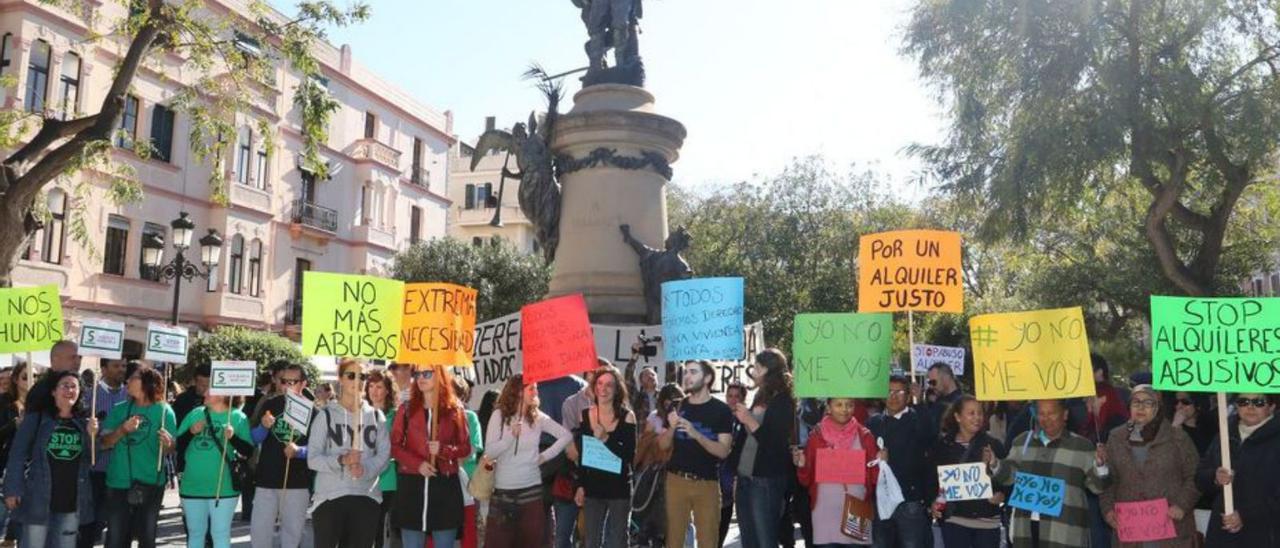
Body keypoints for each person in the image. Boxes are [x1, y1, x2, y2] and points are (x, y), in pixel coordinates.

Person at [984, 399, 1110, 548]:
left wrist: (1100, 467)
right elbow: (1009, 476)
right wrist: (994, 463)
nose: (1046, 419)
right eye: (1041, 413)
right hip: (1026, 529)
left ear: (1065, 414)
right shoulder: (1022, 441)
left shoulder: (1082, 446)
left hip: (1064, 532)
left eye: (1051, 413)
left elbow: (1098, 487)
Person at [1099, 385, 1199, 547]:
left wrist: (1182, 504)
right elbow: (1108, 481)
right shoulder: (1115, 437)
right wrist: (1107, 510)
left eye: (1148, 403)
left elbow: (1195, 476)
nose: (1141, 407)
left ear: (1158, 407)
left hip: (1171, 529)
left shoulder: (1177, 437)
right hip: (1130, 532)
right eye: (1136, 402)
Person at [3, 370, 93, 548]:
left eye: (74, 386)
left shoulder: (83, 424)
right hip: (38, 500)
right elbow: (17, 454)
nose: (69, 390)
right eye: (64, 386)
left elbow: (92, 460)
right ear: (53, 391)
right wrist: (12, 488)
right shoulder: (37, 419)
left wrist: (92, 436)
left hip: (71, 502)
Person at [307, 358, 391, 548]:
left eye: (363, 376)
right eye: (351, 375)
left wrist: (366, 469)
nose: (357, 380)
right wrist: (341, 460)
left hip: (366, 497)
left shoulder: (376, 416)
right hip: (329, 498)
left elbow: (384, 456)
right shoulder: (326, 415)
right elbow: (312, 459)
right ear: (340, 379)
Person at [483, 374, 572, 548]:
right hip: (503, 494)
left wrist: (544, 456)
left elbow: (565, 435)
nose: (536, 392)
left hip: (531, 491)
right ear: (518, 391)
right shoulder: (499, 415)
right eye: (531, 388)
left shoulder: (537, 417)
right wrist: (509, 438)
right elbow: (489, 452)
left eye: (536, 388)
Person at [390, 365, 471, 548]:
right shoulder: (407, 408)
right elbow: (394, 446)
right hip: (412, 486)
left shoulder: (455, 409)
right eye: (417, 373)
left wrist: (444, 450)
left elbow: (465, 447)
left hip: (444, 486)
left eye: (427, 373)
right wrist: (417, 464)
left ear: (440, 375)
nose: (421, 378)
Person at [100, 366, 177, 548]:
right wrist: (122, 430)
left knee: (147, 539)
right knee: (116, 540)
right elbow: (103, 444)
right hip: (119, 482)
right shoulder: (120, 410)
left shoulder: (165, 411)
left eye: (133, 378)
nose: (127, 381)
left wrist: (169, 444)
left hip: (151, 483)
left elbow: (172, 448)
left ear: (147, 383)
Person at [660, 360, 733, 548]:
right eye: (686, 372)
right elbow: (662, 445)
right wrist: (671, 428)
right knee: (673, 541)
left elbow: (723, 451)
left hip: (707, 482)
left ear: (707, 378)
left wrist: (695, 434)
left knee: (708, 541)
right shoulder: (677, 406)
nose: (687, 376)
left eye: (693, 372)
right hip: (676, 480)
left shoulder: (721, 410)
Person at [732, 349, 797, 548]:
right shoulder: (760, 396)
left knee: (765, 539)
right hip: (745, 478)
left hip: (766, 480)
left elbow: (774, 444)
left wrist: (749, 420)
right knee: (749, 540)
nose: (753, 371)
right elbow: (747, 439)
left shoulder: (784, 401)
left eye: (757, 367)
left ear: (769, 370)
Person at [1196, 393, 1280, 546]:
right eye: (1243, 401)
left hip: (1266, 533)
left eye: (1259, 402)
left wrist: (1246, 516)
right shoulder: (1224, 434)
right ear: (1236, 406)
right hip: (1222, 532)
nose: (1250, 407)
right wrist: (1215, 477)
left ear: (1272, 406)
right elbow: (1200, 477)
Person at [795, 397, 880, 546]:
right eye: (839, 405)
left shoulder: (865, 436)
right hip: (824, 514)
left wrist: (881, 462)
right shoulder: (816, 437)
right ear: (828, 407)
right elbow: (806, 479)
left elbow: (875, 477)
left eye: (849, 405)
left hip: (857, 511)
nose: (844, 409)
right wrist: (802, 465)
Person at [865, 374, 937, 548]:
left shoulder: (917, 418)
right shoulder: (873, 423)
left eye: (899, 392)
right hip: (880, 502)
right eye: (889, 391)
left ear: (908, 395)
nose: (893, 396)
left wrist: (920, 402)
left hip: (909, 500)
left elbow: (929, 435)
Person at [570, 365, 636, 548]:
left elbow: (629, 456)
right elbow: (583, 454)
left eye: (609, 385)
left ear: (617, 390)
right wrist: (580, 485)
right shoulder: (585, 415)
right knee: (590, 540)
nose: (603, 389)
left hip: (618, 488)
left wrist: (606, 438)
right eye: (599, 383)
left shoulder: (627, 417)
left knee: (617, 541)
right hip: (593, 487)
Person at [175, 392, 252, 548]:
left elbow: (248, 452)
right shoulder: (196, 413)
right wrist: (191, 432)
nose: (204, 393)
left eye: (210, 390)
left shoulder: (238, 417)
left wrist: (233, 438)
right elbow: (177, 445)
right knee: (195, 533)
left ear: (223, 395)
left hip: (223, 488)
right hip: (192, 485)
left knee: (220, 533)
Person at [249, 361, 313, 548]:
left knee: (292, 536)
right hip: (266, 480)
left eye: (293, 382)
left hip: (297, 483)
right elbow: (255, 438)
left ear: (303, 384)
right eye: (284, 381)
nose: (287, 386)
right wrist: (263, 426)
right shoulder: (269, 404)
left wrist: (299, 451)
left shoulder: (314, 412)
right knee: (260, 533)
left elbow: (318, 451)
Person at [930, 395, 1007, 548]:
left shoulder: (994, 445)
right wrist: (933, 502)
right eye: (971, 413)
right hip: (955, 521)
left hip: (988, 523)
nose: (977, 417)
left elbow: (1007, 480)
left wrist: (1001, 495)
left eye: (980, 413)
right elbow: (932, 480)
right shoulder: (943, 446)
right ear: (958, 417)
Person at [79, 358, 128, 548]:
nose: (121, 370)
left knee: (120, 527)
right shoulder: (90, 397)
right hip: (96, 470)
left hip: (123, 470)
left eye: (123, 366)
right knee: (91, 525)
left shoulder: (131, 395)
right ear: (104, 368)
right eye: (116, 366)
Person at [634, 383, 684, 547]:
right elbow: (644, 443)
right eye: (666, 401)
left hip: (676, 471)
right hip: (654, 473)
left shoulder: (685, 418)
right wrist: (659, 437)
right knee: (651, 517)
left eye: (673, 400)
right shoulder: (654, 417)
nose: (669, 404)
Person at [366, 369, 398, 548]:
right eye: (371, 386)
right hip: (363, 479)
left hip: (387, 480)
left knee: (381, 530)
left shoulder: (396, 415)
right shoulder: (361, 413)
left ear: (388, 390)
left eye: (379, 386)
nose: (374, 391)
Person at [453, 376, 484, 548]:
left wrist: (454, 460)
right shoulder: (438, 417)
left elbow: (474, 446)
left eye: (456, 394)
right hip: (447, 482)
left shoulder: (470, 417)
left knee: (467, 528)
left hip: (469, 483)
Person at [718, 382, 747, 548]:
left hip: (735, 475)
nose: (733, 400)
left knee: (726, 517)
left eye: (737, 396)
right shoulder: (719, 416)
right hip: (716, 473)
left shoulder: (746, 420)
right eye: (730, 396)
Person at [926, 363, 962, 430]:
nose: (931, 386)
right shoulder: (937, 401)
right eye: (929, 383)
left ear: (946, 378)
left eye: (933, 382)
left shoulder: (960, 403)